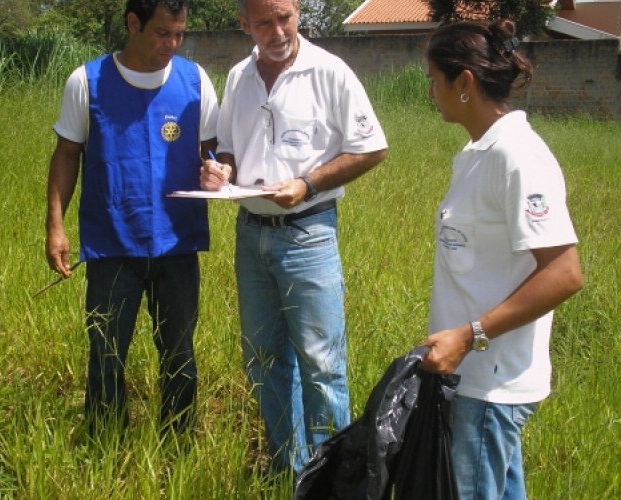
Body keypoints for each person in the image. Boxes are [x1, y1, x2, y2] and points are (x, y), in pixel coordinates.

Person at [200, 0, 388, 475]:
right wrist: (223, 170)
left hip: (309, 234)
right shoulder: (239, 77)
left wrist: (308, 184)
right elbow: (229, 146)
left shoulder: (330, 72)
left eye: (285, 16)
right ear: (245, 25)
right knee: (264, 361)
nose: (278, 30)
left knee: (322, 367)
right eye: (264, 22)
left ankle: (332, 478)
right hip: (251, 234)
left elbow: (371, 147)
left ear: (298, 11)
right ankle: (288, 466)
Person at [418, 19, 584, 500]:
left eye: (434, 79)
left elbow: (564, 272)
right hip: (472, 382)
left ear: (464, 83)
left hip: (489, 387)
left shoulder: (517, 157)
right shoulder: (478, 154)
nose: (430, 91)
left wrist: (470, 337)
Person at [45, 0, 219, 435]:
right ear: (133, 23)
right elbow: (66, 155)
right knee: (105, 352)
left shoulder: (195, 81)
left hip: (178, 244)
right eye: (163, 33)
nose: (172, 44)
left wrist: (217, 170)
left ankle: (178, 440)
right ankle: (105, 442)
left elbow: (214, 152)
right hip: (111, 245)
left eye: (180, 34)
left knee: (179, 353)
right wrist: (56, 227)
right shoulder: (87, 82)